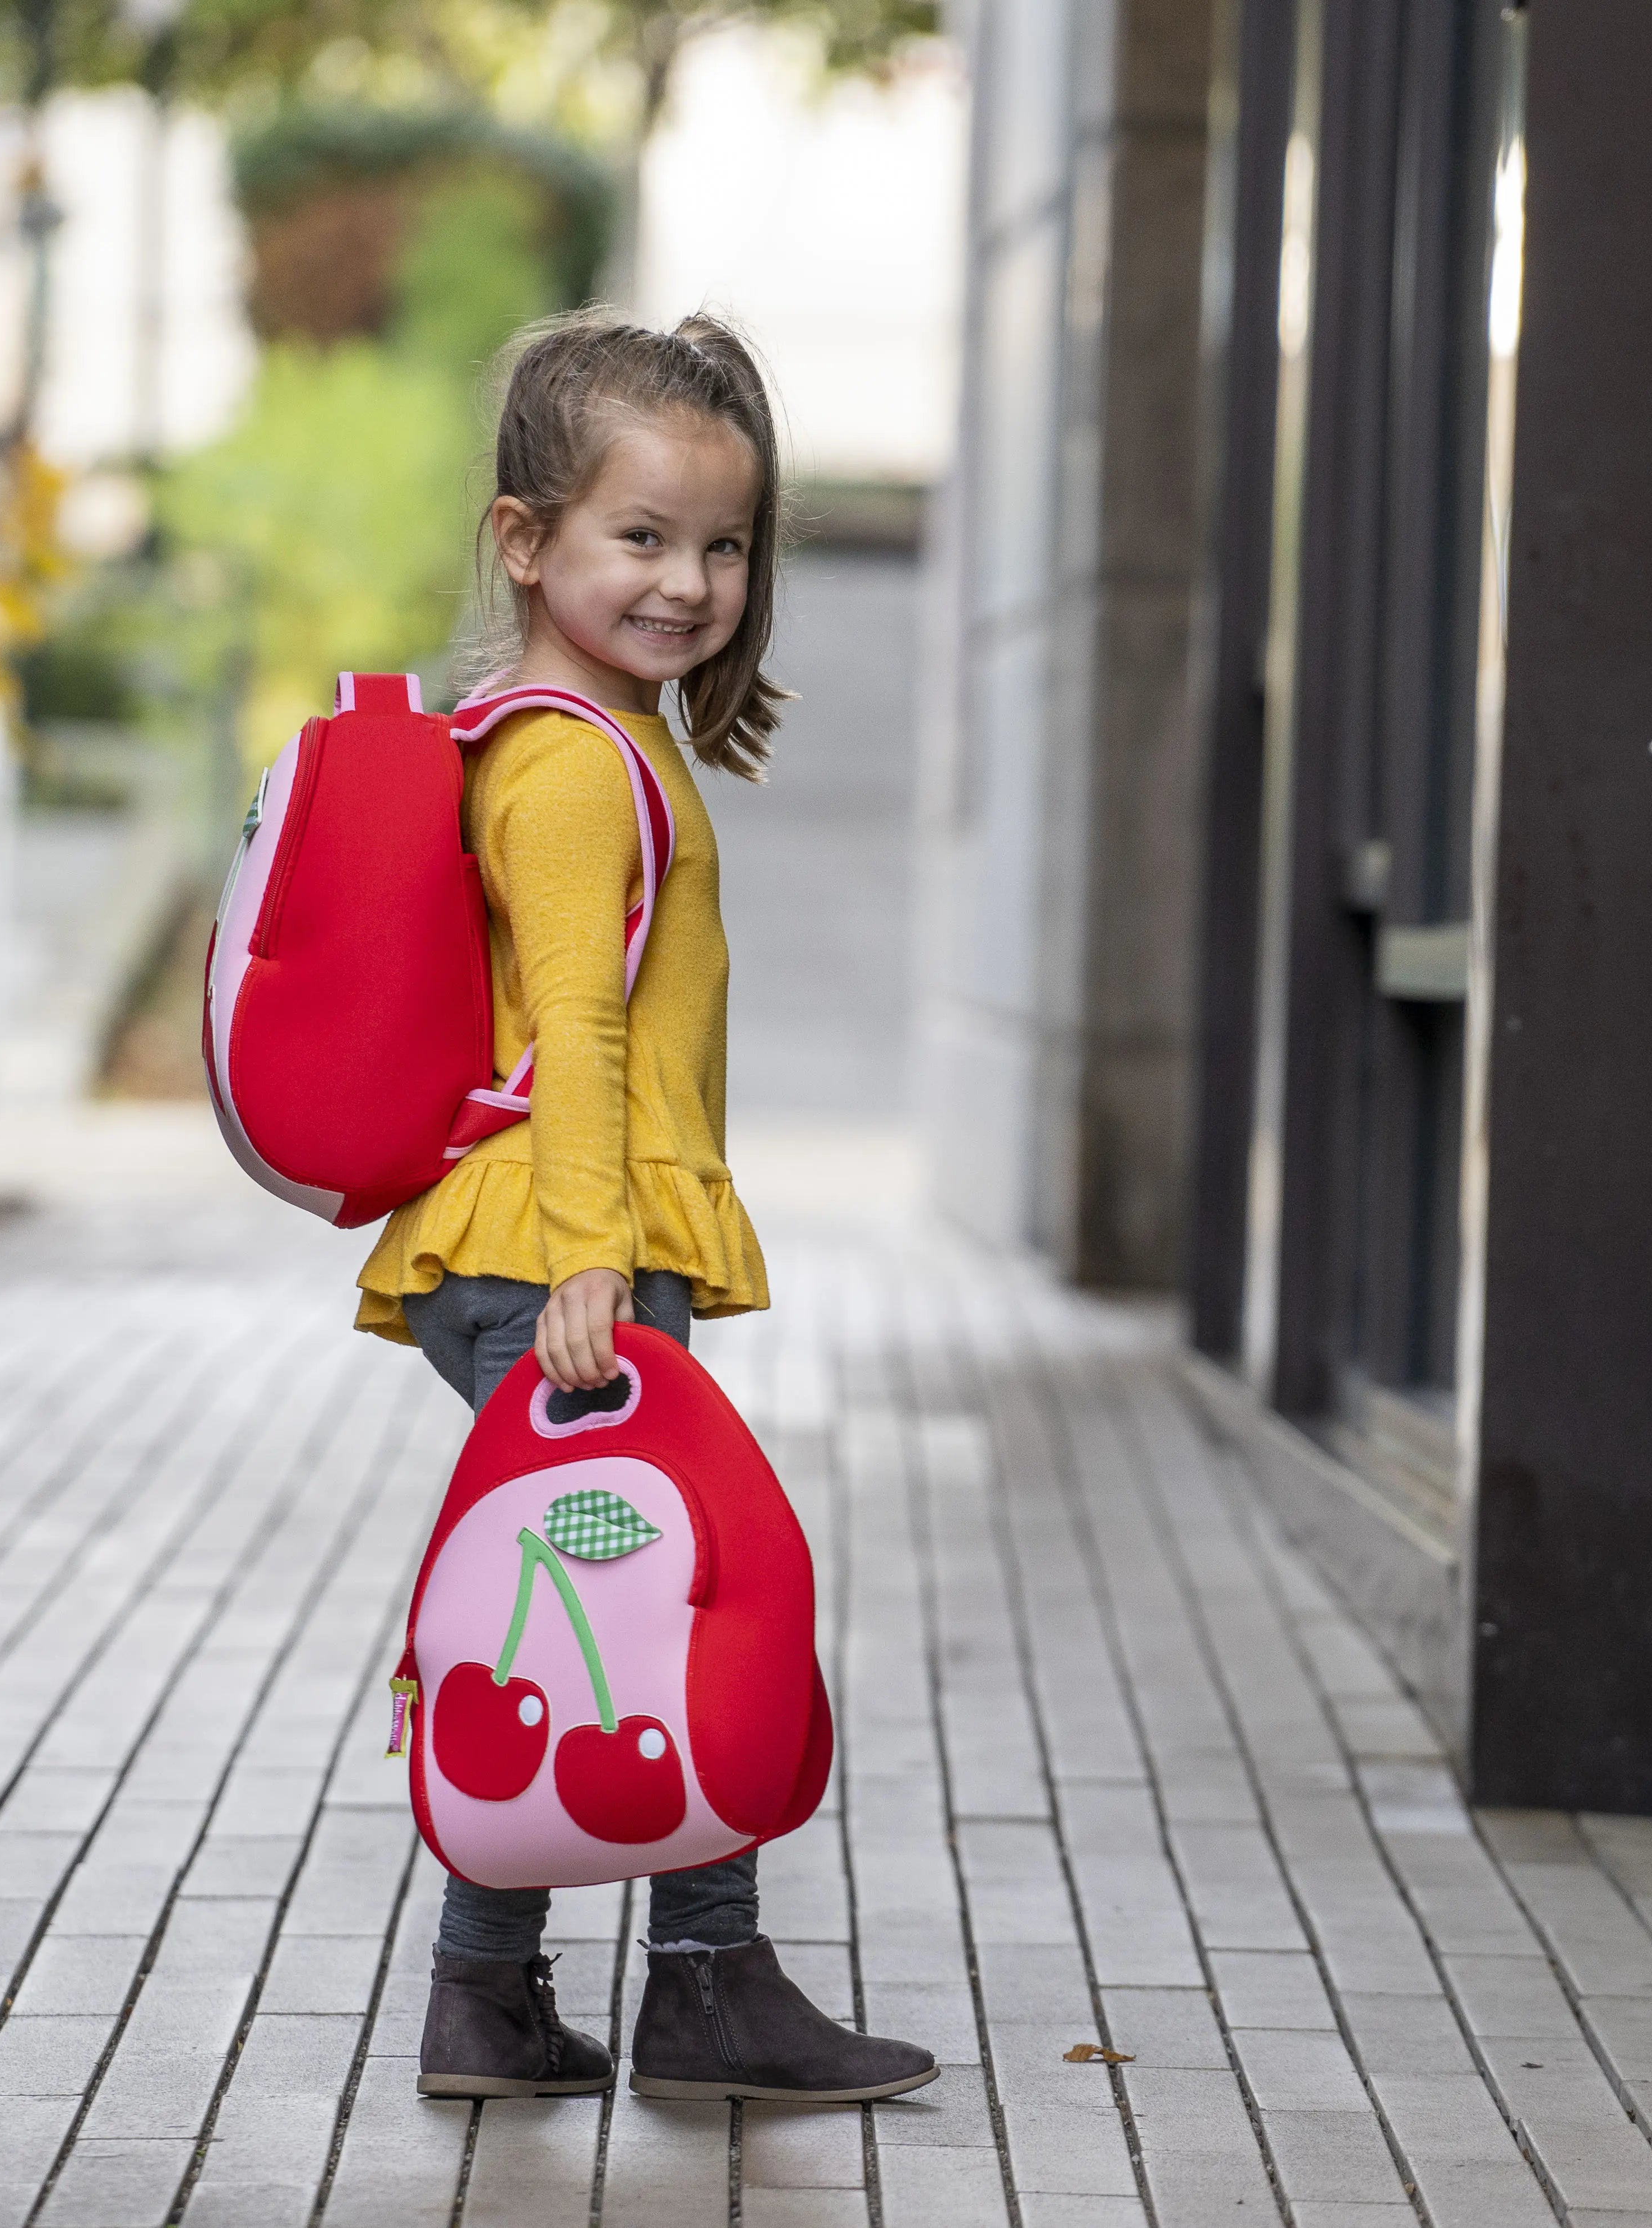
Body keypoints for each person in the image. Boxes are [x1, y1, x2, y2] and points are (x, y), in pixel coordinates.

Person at [355, 311, 940, 2106]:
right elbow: (580, 1028)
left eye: (724, 544)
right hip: (565, 1251)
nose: (690, 582)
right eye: (643, 536)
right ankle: (701, 1982)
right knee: (674, 1603)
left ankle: (496, 2002)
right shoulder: (563, 766)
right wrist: (599, 1259)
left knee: (580, 1615)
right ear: (527, 540)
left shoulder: (598, 738)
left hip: (555, 1244)